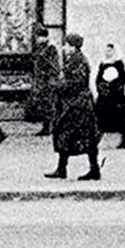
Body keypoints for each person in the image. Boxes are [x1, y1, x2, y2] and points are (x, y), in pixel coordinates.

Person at [46, 33, 101, 180]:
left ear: (74, 46)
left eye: (67, 45)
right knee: (68, 135)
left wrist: (58, 86)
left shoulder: (79, 61)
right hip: (74, 103)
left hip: (78, 105)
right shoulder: (75, 60)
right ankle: (63, 168)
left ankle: (92, 169)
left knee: (80, 136)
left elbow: (76, 82)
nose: (64, 48)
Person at [95, 42, 125, 149]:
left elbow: (122, 79)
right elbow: (98, 79)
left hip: (116, 97)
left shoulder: (119, 64)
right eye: (106, 51)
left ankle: (120, 140)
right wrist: (102, 88)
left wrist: (113, 88)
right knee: (103, 117)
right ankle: (104, 139)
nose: (108, 53)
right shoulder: (103, 64)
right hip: (104, 96)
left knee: (118, 117)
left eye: (110, 51)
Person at [29, 34, 61, 136]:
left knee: (49, 104)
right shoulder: (39, 48)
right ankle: (46, 127)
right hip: (41, 81)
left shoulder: (50, 49)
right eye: (37, 37)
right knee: (43, 104)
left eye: (40, 37)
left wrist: (49, 77)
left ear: (46, 37)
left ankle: (51, 127)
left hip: (48, 81)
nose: (38, 39)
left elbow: (54, 66)